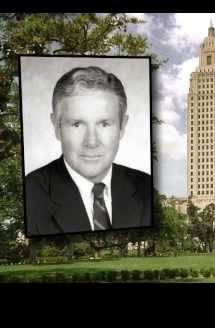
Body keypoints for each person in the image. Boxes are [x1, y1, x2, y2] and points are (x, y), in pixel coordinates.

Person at [25, 66, 152, 236]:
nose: (91, 142)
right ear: (56, 126)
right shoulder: (30, 194)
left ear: (122, 127)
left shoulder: (146, 188)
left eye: (104, 124)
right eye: (77, 124)